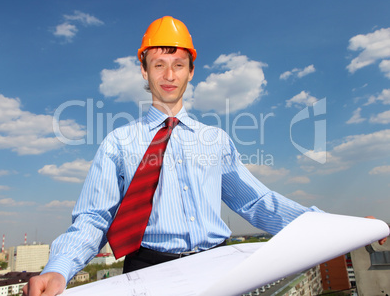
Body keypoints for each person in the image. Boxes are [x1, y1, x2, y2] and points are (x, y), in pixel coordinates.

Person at [23, 16, 387, 296]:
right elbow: (93, 218)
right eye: (158, 65)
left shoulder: (215, 139)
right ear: (144, 71)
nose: (169, 75)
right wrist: (59, 268)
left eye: (178, 65)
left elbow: (259, 204)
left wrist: (336, 226)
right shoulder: (118, 142)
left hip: (219, 266)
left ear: (191, 71)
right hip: (147, 270)